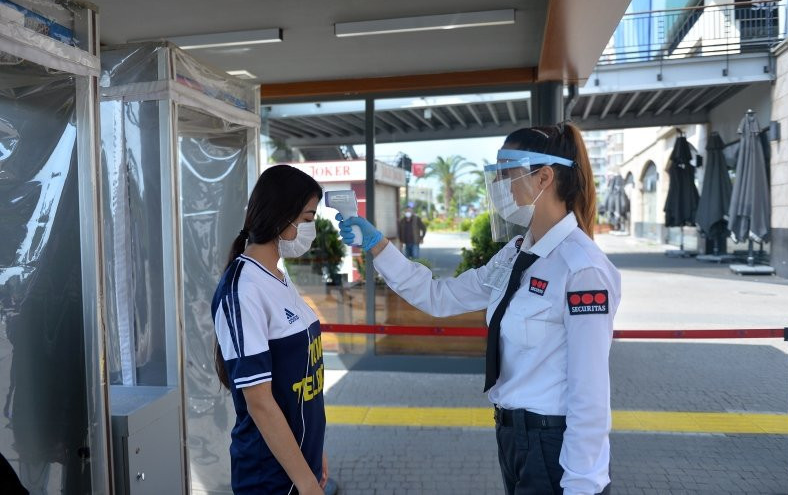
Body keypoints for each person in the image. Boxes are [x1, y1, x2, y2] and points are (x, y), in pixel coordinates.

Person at [338, 124, 619, 495]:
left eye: (507, 175)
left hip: (553, 446)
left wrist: (583, 484)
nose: (500, 187)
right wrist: (377, 246)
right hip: (513, 439)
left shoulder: (583, 269)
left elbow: (591, 393)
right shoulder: (518, 252)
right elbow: (439, 297)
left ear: (544, 178)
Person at [212, 165, 327, 495]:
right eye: (307, 219)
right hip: (269, 479)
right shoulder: (242, 290)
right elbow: (259, 402)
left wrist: (316, 457)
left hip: (300, 466)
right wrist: (305, 482)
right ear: (282, 216)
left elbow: (303, 384)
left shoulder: (278, 276)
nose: (311, 229)